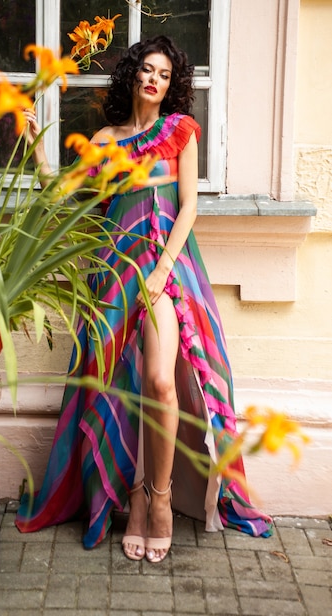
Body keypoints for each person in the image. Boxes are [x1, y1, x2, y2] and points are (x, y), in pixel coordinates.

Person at [15, 35, 273, 563]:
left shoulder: (180, 132)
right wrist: (38, 141)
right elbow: (60, 192)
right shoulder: (107, 139)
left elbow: (188, 209)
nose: (153, 79)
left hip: (163, 271)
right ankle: (131, 499)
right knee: (117, 389)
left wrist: (160, 272)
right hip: (113, 271)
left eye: (163, 73)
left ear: (170, 83)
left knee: (160, 380)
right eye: (146, 70)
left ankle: (160, 499)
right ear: (132, 76)